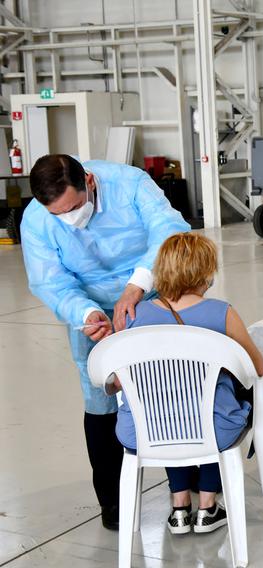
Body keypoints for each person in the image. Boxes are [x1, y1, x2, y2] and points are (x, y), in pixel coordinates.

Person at [20, 155, 190, 529]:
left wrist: (137, 285)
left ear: (90, 182)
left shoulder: (129, 183)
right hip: (91, 307)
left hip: (153, 288)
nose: (71, 221)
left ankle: (192, 485)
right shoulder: (36, 219)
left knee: (177, 384)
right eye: (59, 214)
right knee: (100, 397)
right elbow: (50, 281)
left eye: (76, 207)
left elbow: (170, 230)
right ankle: (114, 502)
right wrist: (84, 314)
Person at [113, 232, 263, 534]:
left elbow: (118, 381)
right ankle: (207, 508)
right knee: (206, 414)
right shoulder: (221, 313)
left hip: (145, 430)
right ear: (205, 272)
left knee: (167, 414)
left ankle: (180, 508)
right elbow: (257, 368)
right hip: (212, 429)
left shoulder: (135, 315)